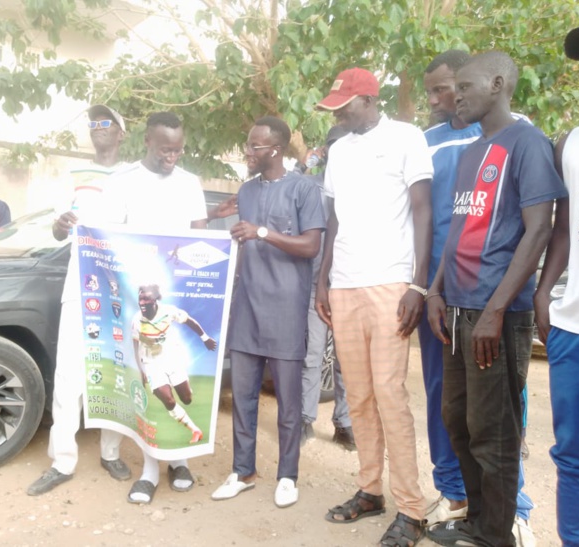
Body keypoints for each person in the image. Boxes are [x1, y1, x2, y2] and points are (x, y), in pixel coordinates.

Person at [425, 51, 567, 547]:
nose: (456, 94)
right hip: (458, 308)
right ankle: (478, 521)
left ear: (499, 83)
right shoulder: (469, 154)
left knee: (494, 431)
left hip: (495, 315)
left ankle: (497, 535)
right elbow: (457, 230)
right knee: (458, 422)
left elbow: (539, 232)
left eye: (465, 85)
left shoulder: (527, 143)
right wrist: (436, 290)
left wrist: (495, 310)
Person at [314, 67, 432, 546]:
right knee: (358, 396)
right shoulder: (339, 150)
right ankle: (369, 490)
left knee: (389, 395)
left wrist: (419, 286)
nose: (339, 113)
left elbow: (423, 210)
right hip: (344, 286)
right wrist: (323, 280)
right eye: (335, 107)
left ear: (369, 99)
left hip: (390, 283)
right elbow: (333, 218)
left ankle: (412, 509)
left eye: (345, 105)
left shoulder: (407, 137)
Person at [102, 111, 235, 504]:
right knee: (150, 393)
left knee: (186, 394)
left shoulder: (189, 183)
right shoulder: (122, 181)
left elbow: (198, 238)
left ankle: (181, 462)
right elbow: (110, 238)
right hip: (137, 294)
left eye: (178, 150)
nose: (171, 157)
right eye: (164, 149)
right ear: (146, 141)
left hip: (176, 297)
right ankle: (148, 469)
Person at [211, 116, 325, 509]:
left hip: (286, 310)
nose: (248, 152)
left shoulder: (304, 189)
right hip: (247, 309)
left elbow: (311, 246)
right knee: (242, 397)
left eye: (254, 147)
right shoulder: (245, 191)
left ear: (275, 149)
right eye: (248, 145)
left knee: (288, 404)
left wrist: (262, 232)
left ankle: (287, 475)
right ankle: (243, 471)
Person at [27, 104, 132, 496]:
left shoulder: (133, 176)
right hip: (79, 287)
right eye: (93, 123)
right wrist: (58, 225)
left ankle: (110, 452)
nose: (98, 128)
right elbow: (58, 234)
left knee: (115, 370)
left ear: (121, 132)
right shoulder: (72, 175)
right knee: (70, 375)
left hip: (119, 289)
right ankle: (63, 461)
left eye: (106, 122)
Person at [532, 26, 579, 547]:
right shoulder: (571, 143)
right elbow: (562, 229)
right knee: (572, 455)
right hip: (575, 328)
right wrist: (545, 292)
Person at [295, 126, 355, 451]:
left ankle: (344, 424)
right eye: (332, 146)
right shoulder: (310, 187)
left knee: (347, 360)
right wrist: (305, 163)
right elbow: (286, 186)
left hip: (347, 284)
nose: (338, 151)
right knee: (312, 356)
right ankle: (305, 420)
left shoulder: (359, 189)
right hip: (313, 286)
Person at [132, 283, 217, 444]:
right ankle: (195, 430)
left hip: (172, 358)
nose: (142, 302)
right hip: (151, 363)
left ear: (156, 299)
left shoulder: (168, 311)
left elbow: (189, 321)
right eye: (140, 298)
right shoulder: (137, 321)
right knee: (169, 401)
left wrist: (204, 338)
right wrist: (141, 369)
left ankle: (182, 385)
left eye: (146, 298)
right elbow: (135, 344)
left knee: (187, 399)